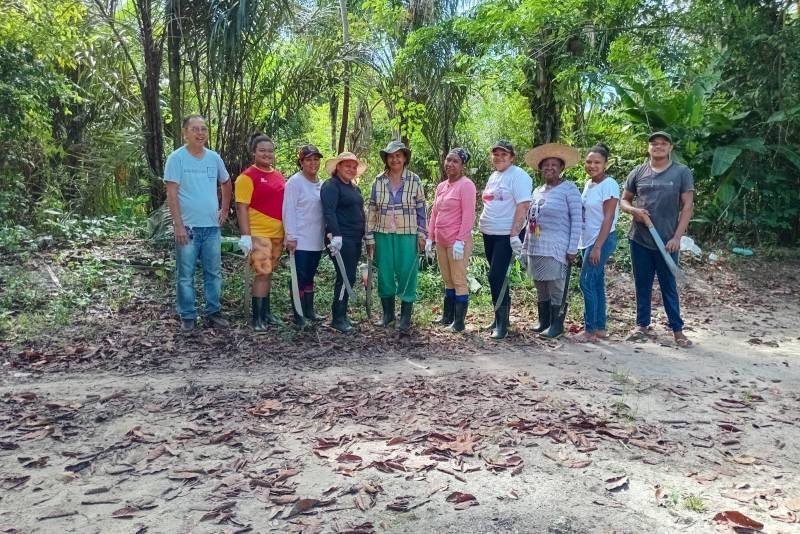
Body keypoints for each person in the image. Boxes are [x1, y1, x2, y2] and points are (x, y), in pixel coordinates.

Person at [620, 131, 694, 347]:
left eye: (663, 144)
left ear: (670, 147)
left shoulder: (681, 172)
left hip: (667, 242)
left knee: (668, 284)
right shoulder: (638, 172)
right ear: (648, 147)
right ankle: (641, 326)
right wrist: (634, 211)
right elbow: (624, 201)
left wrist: (677, 237)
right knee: (642, 283)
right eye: (654, 143)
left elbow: (687, 207)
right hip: (640, 238)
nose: (658, 147)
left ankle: (677, 331)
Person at [164, 115, 231, 332]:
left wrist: (224, 209)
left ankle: (213, 312)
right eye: (195, 129)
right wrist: (178, 225)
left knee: (213, 272)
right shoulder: (177, 158)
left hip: (211, 227)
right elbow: (172, 193)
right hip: (189, 228)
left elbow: (226, 182)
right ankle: (188, 315)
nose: (200, 133)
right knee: (186, 274)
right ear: (185, 132)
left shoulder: (214, 158)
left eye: (203, 129)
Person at [365, 141, 427, 331]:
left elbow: (421, 209)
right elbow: (372, 209)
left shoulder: (414, 180)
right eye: (391, 156)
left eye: (399, 155)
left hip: (407, 233)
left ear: (405, 158)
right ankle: (388, 315)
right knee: (385, 272)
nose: (395, 159)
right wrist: (369, 237)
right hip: (383, 232)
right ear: (386, 159)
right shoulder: (379, 180)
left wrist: (422, 235)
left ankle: (406, 317)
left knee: (407, 272)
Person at [521, 143, 582, 339]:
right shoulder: (537, 191)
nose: (549, 168)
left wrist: (573, 247)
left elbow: (577, 219)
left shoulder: (569, 189)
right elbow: (530, 221)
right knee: (541, 285)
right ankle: (544, 321)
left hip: (557, 247)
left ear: (561, 168)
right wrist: (524, 247)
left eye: (554, 165)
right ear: (540, 169)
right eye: (545, 165)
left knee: (556, 285)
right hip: (536, 246)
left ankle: (557, 325)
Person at [478, 140, 532, 340]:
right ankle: (500, 318)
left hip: (505, 234)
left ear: (512, 157)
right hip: (489, 232)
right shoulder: (494, 176)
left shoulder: (518, 176)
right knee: (496, 277)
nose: (499, 157)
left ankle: (502, 325)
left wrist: (514, 235)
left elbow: (523, 205)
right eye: (496, 154)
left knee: (496, 276)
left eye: (504, 154)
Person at [235, 134, 286, 332]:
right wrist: (246, 235)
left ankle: (266, 312)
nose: (267, 154)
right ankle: (257, 319)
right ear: (254, 152)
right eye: (262, 150)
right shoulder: (247, 177)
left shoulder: (279, 175)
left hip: (277, 233)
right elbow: (242, 208)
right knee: (262, 274)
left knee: (268, 273)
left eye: (270, 151)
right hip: (258, 234)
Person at [427, 148, 476, 332]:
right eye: (448, 160)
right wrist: (430, 237)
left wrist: (461, 240)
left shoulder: (466, 185)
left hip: (457, 241)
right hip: (441, 240)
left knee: (458, 279)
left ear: (462, 165)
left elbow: (469, 214)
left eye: (455, 161)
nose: (450, 164)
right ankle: (447, 317)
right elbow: (434, 213)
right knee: (447, 279)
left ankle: (459, 322)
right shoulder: (441, 186)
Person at [574, 143, 620, 342]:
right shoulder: (589, 184)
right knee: (597, 282)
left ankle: (590, 330)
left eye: (597, 162)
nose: (592, 165)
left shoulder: (609, 185)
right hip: (588, 240)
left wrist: (598, 247)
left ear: (606, 164)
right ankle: (600, 328)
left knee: (586, 282)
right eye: (589, 162)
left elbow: (608, 218)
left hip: (601, 240)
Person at [321, 152, 368, 333]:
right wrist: (336, 235)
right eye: (347, 165)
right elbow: (329, 212)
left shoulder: (354, 188)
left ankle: (343, 314)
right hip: (340, 239)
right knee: (345, 276)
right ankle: (338, 318)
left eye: (354, 166)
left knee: (350, 276)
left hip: (355, 238)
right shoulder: (331, 186)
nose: (351, 169)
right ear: (338, 167)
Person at [282, 144, 326, 328]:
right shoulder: (295, 182)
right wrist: (290, 235)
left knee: (309, 276)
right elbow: (288, 210)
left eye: (316, 159)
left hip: (316, 239)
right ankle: (298, 315)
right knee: (299, 277)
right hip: (299, 240)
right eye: (308, 159)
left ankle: (309, 311)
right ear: (301, 162)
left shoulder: (321, 184)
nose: (313, 163)